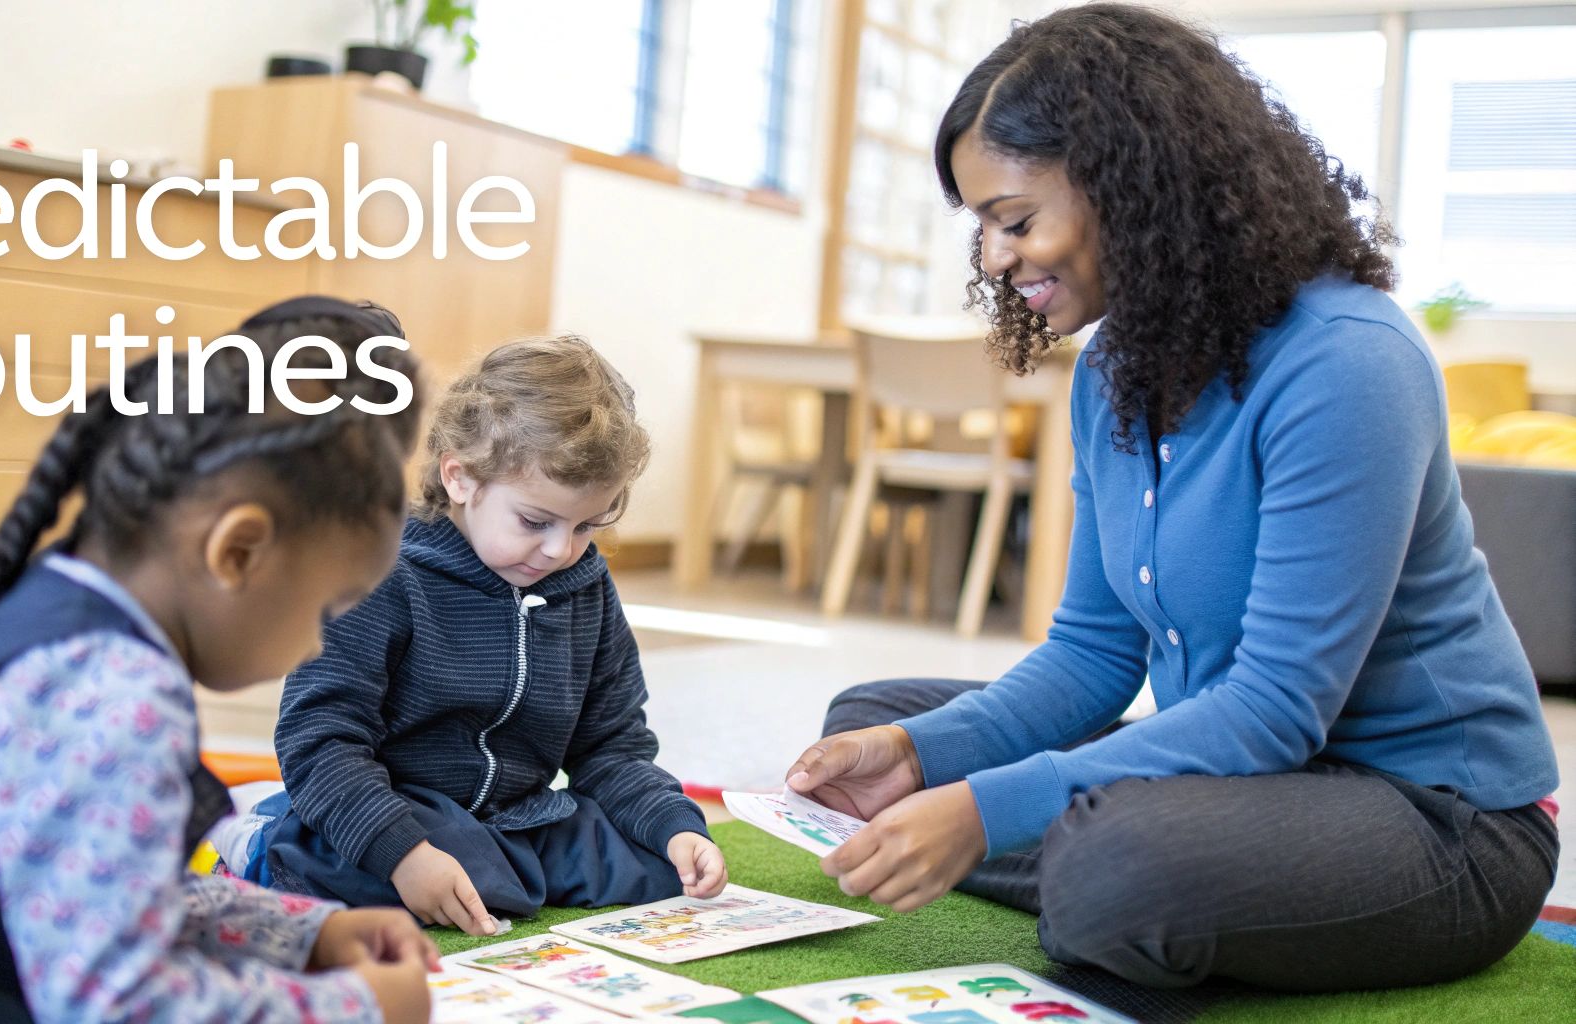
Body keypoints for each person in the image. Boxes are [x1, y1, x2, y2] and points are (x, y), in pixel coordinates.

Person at [786, 2, 1560, 993]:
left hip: (1433, 817)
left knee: (1113, 868)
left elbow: (1276, 709)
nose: (990, 258)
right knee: (876, 724)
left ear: (1131, 186)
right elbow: (1091, 653)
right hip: (1242, 783)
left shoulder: (1347, 361)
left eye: (1013, 221)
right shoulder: (1107, 368)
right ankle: (1092, 856)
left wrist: (985, 808)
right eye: (981, 227)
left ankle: (1104, 870)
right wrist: (916, 752)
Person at [0, 296, 439, 1023]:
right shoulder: (118, 691)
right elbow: (117, 1006)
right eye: (329, 608)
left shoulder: (58, 614)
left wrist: (305, 932)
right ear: (236, 552)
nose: (318, 645)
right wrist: (358, 1008)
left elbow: (93, 886)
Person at [230, 334, 726, 936]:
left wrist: (673, 826)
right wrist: (407, 856)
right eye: (535, 522)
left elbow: (612, 747)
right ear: (460, 478)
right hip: (398, 807)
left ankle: (499, 869)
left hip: (520, 818)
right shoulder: (375, 574)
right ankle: (258, 834)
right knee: (409, 866)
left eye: (588, 526)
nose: (560, 550)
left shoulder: (584, 585)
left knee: (656, 865)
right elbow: (320, 742)